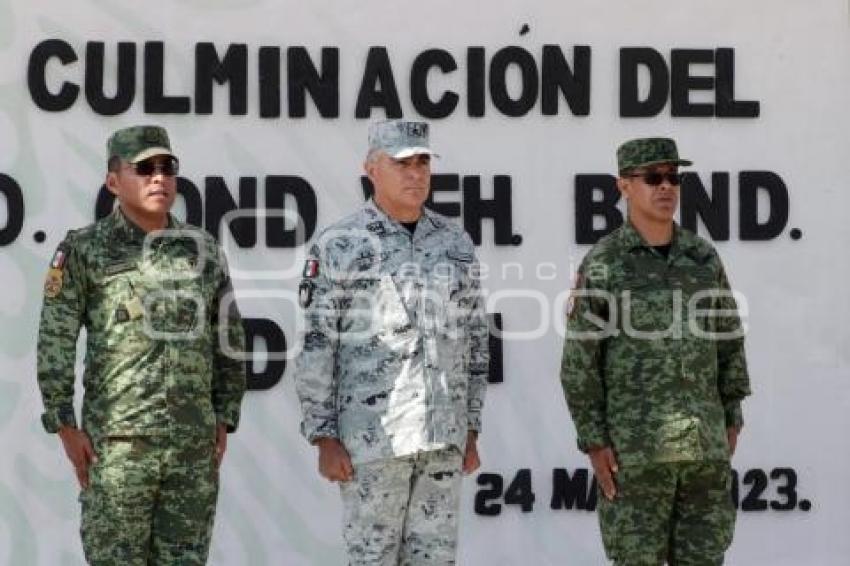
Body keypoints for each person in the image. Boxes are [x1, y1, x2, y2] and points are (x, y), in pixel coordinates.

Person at [36, 125, 246, 565]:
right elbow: (55, 336)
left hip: (191, 451)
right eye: (144, 168)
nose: (159, 178)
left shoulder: (202, 248)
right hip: (118, 448)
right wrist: (63, 423)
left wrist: (224, 415)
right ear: (113, 181)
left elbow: (227, 335)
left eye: (167, 168)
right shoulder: (84, 249)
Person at [294, 119, 489, 565]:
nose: (415, 172)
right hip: (373, 442)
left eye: (422, 161)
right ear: (370, 169)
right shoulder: (341, 243)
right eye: (401, 162)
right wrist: (323, 436)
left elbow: (476, 339)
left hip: (442, 438)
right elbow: (317, 345)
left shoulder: (454, 241)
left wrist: (471, 427)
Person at [560, 137, 752, 565]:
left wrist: (731, 413)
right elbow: (580, 362)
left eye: (672, 177)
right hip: (636, 454)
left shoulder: (702, 257)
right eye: (652, 178)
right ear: (624, 186)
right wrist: (594, 440)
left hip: (704, 451)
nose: (666, 187)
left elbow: (729, 338)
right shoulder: (606, 262)